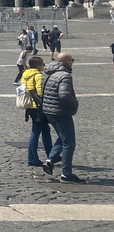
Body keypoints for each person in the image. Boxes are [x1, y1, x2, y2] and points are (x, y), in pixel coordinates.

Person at [41, 52, 82, 183]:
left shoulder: (50, 73)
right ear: (68, 62)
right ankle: (66, 173)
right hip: (61, 112)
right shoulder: (65, 76)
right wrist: (75, 103)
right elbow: (64, 95)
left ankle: (50, 160)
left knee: (63, 137)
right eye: (72, 60)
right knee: (69, 143)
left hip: (49, 111)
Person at [20, 56, 52, 167]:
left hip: (29, 106)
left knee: (45, 130)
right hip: (37, 107)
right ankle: (33, 158)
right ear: (38, 66)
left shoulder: (25, 74)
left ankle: (51, 155)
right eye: (42, 64)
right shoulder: (38, 75)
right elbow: (39, 91)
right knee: (37, 132)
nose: (43, 66)